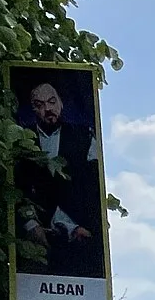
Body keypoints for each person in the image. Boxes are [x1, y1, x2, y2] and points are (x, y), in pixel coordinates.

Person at [15, 80, 103, 278]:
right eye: (39, 105)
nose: (47, 109)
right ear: (33, 110)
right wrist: (31, 225)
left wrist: (86, 228)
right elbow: (18, 189)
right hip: (36, 243)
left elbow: (92, 188)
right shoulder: (21, 142)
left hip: (80, 239)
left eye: (52, 102)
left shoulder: (84, 137)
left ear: (61, 103)